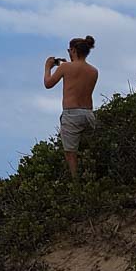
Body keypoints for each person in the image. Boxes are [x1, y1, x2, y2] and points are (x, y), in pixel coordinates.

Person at [44, 36, 99, 179]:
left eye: (69, 50)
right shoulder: (94, 71)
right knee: (88, 150)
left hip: (71, 114)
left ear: (73, 50)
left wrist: (48, 67)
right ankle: (93, 178)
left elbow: (48, 83)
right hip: (88, 114)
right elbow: (77, 75)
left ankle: (76, 184)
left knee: (71, 152)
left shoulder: (65, 67)